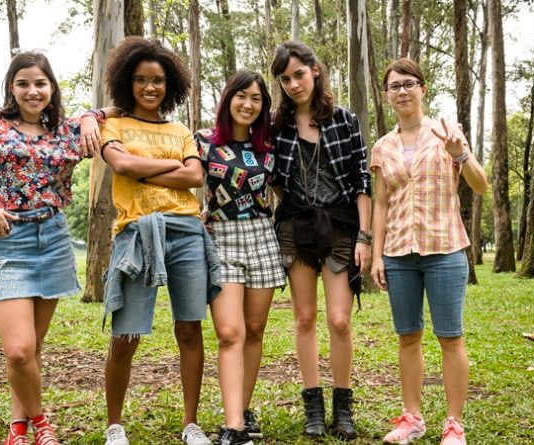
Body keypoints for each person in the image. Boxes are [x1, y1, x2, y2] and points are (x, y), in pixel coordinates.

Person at [0, 50, 111, 445]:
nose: (32, 91)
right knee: (18, 350)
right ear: (11, 88)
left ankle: (17, 429)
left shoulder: (67, 132)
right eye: (23, 83)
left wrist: (90, 113)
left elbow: (118, 107)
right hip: (2, 242)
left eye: (40, 83)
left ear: (52, 88)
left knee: (33, 348)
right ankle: (42, 423)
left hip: (51, 240)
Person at [98, 36, 219, 445]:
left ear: (171, 85)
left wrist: (140, 169)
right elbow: (120, 162)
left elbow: (195, 176)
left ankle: (191, 424)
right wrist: (165, 167)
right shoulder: (111, 125)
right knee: (126, 335)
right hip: (137, 232)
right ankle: (115, 425)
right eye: (141, 80)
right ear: (126, 83)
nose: (150, 88)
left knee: (189, 329)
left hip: (186, 232)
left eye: (159, 81)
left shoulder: (181, 129)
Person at [370, 58, 487, 445]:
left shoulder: (446, 131)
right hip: (399, 252)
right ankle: (412, 419)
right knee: (408, 337)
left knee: (450, 337)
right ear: (387, 96)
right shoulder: (383, 146)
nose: (402, 91)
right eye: (394, 86)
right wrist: (376, 256)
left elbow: (480, 185)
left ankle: (454, 425)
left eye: (408, 84)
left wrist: (460, 154)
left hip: (445, 248)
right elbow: (381, 204)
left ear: (422, 88)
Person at [269, 41, 372, 440]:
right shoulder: (279, 125)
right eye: (285, 78)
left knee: (340, 320)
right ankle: (313, 407)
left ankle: (342, 408)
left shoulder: (344, 121)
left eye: (299, 74)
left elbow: (363, 180)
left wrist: (365, 236)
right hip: (297, 229)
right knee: (305, 318)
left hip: (343, 228)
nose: (294, 84)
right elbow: (276, 182)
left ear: (314, 70)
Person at [195, 70, 284, 445]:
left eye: (257, 99)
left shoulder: (269, 146)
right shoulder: (202, 142)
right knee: (231, 332)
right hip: (221, 238)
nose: (248, 104)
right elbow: (188, 184)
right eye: (241, 96)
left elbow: (281, 190)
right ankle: (233, 429)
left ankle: (242, 411)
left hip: (262, 236)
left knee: (255, 331)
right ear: (228, 98)